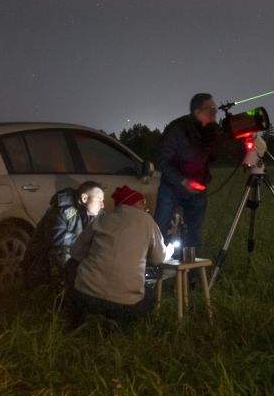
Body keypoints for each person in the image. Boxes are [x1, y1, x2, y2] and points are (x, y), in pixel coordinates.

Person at [66, 185, 172, 327]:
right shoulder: (147, 222)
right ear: (132, 203)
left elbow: (75, 253)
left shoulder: (102, 220)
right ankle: (117, 322)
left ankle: (80, 315)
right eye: (143, 203)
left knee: (71, 264)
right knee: (150, 296)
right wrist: (168, 252)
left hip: (86, 297)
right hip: (126, 304)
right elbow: (158, 258)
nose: (146, 208)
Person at [153, 93, 222, 254]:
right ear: (198, 112)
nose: (215, 111)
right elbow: (163, 160)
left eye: (215, 108)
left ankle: (191, 275)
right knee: (159, 231)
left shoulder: (211, 130)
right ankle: (154, 269)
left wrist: (215, 137)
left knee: (194, 236)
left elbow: (213, 156)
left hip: (197, 190)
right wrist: (183, 181)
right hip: (172, 188)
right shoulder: (176, 128)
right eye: (211, 108)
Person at [20, 181, 104, 290]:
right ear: (84, 198)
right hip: (41, 261)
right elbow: (57, 237)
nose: (103, 205)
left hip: (65, 258)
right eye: (99, 200)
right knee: (63, 250)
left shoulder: (96, 213)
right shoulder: (62, 209)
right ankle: (60, 290)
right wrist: (85, 240)